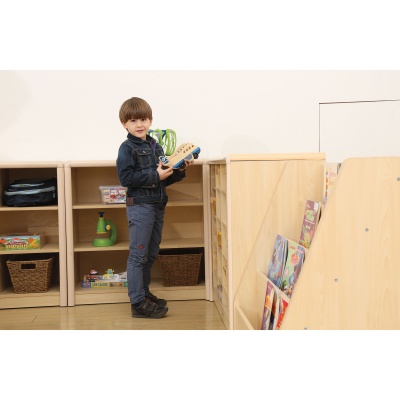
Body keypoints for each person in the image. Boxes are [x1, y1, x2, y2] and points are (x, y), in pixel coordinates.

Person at [116, 97, 193, 319]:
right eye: (133, 120)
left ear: (150, 120)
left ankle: (144, 293)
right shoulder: (127, 148)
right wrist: (155, 175)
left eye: (143, 119)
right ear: (124, 124)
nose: (139, 124)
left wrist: (178, 170)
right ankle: (137, 302)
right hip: (140, 206)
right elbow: (126, 178)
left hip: (157, 204)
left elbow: (163, 178)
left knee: (149, 254)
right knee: (138, 255)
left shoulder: (154, 145)